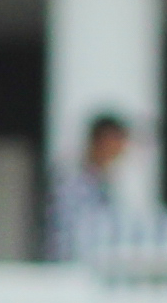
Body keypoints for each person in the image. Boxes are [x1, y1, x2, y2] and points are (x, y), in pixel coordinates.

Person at [50, 109, 141, 266]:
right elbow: (67, 234)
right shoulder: (73, 183)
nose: (122, 148)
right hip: (70, 270)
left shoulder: (104, 183)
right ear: (102, 141)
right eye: (117, 140)